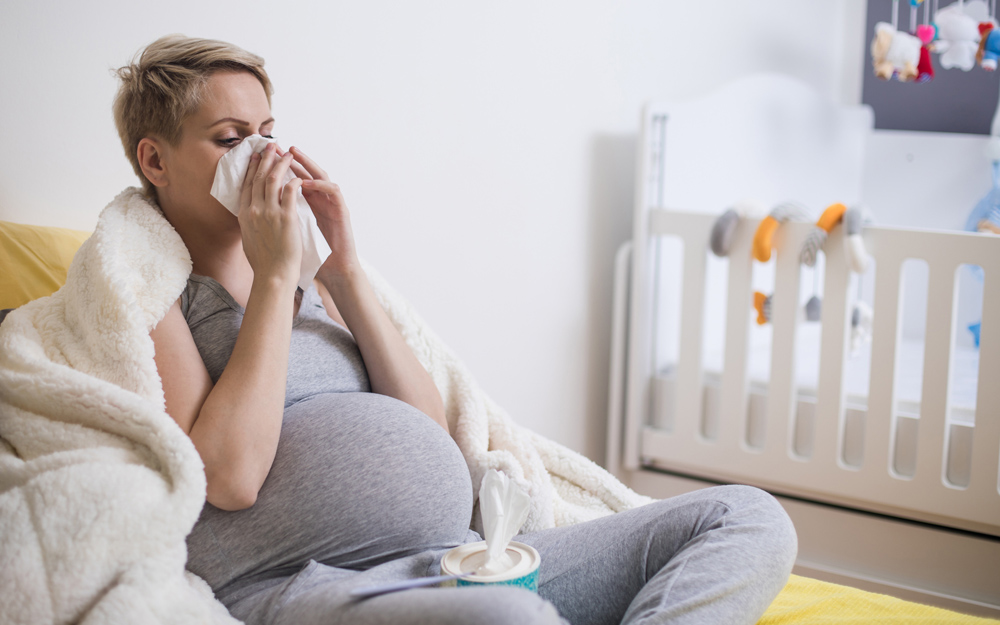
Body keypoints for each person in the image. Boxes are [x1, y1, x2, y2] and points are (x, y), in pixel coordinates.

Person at [115, 34, 797, 625]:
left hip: (452, 558)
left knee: (747, 518)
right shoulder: (156, 298)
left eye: (268, 132)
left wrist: (346, 272)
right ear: (155, 161)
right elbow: (228, 479)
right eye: (232, 139)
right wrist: (269, 277)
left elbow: (428, 431)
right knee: (511, 615)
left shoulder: (314, 281)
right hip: (308, 585)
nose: (262, 156)